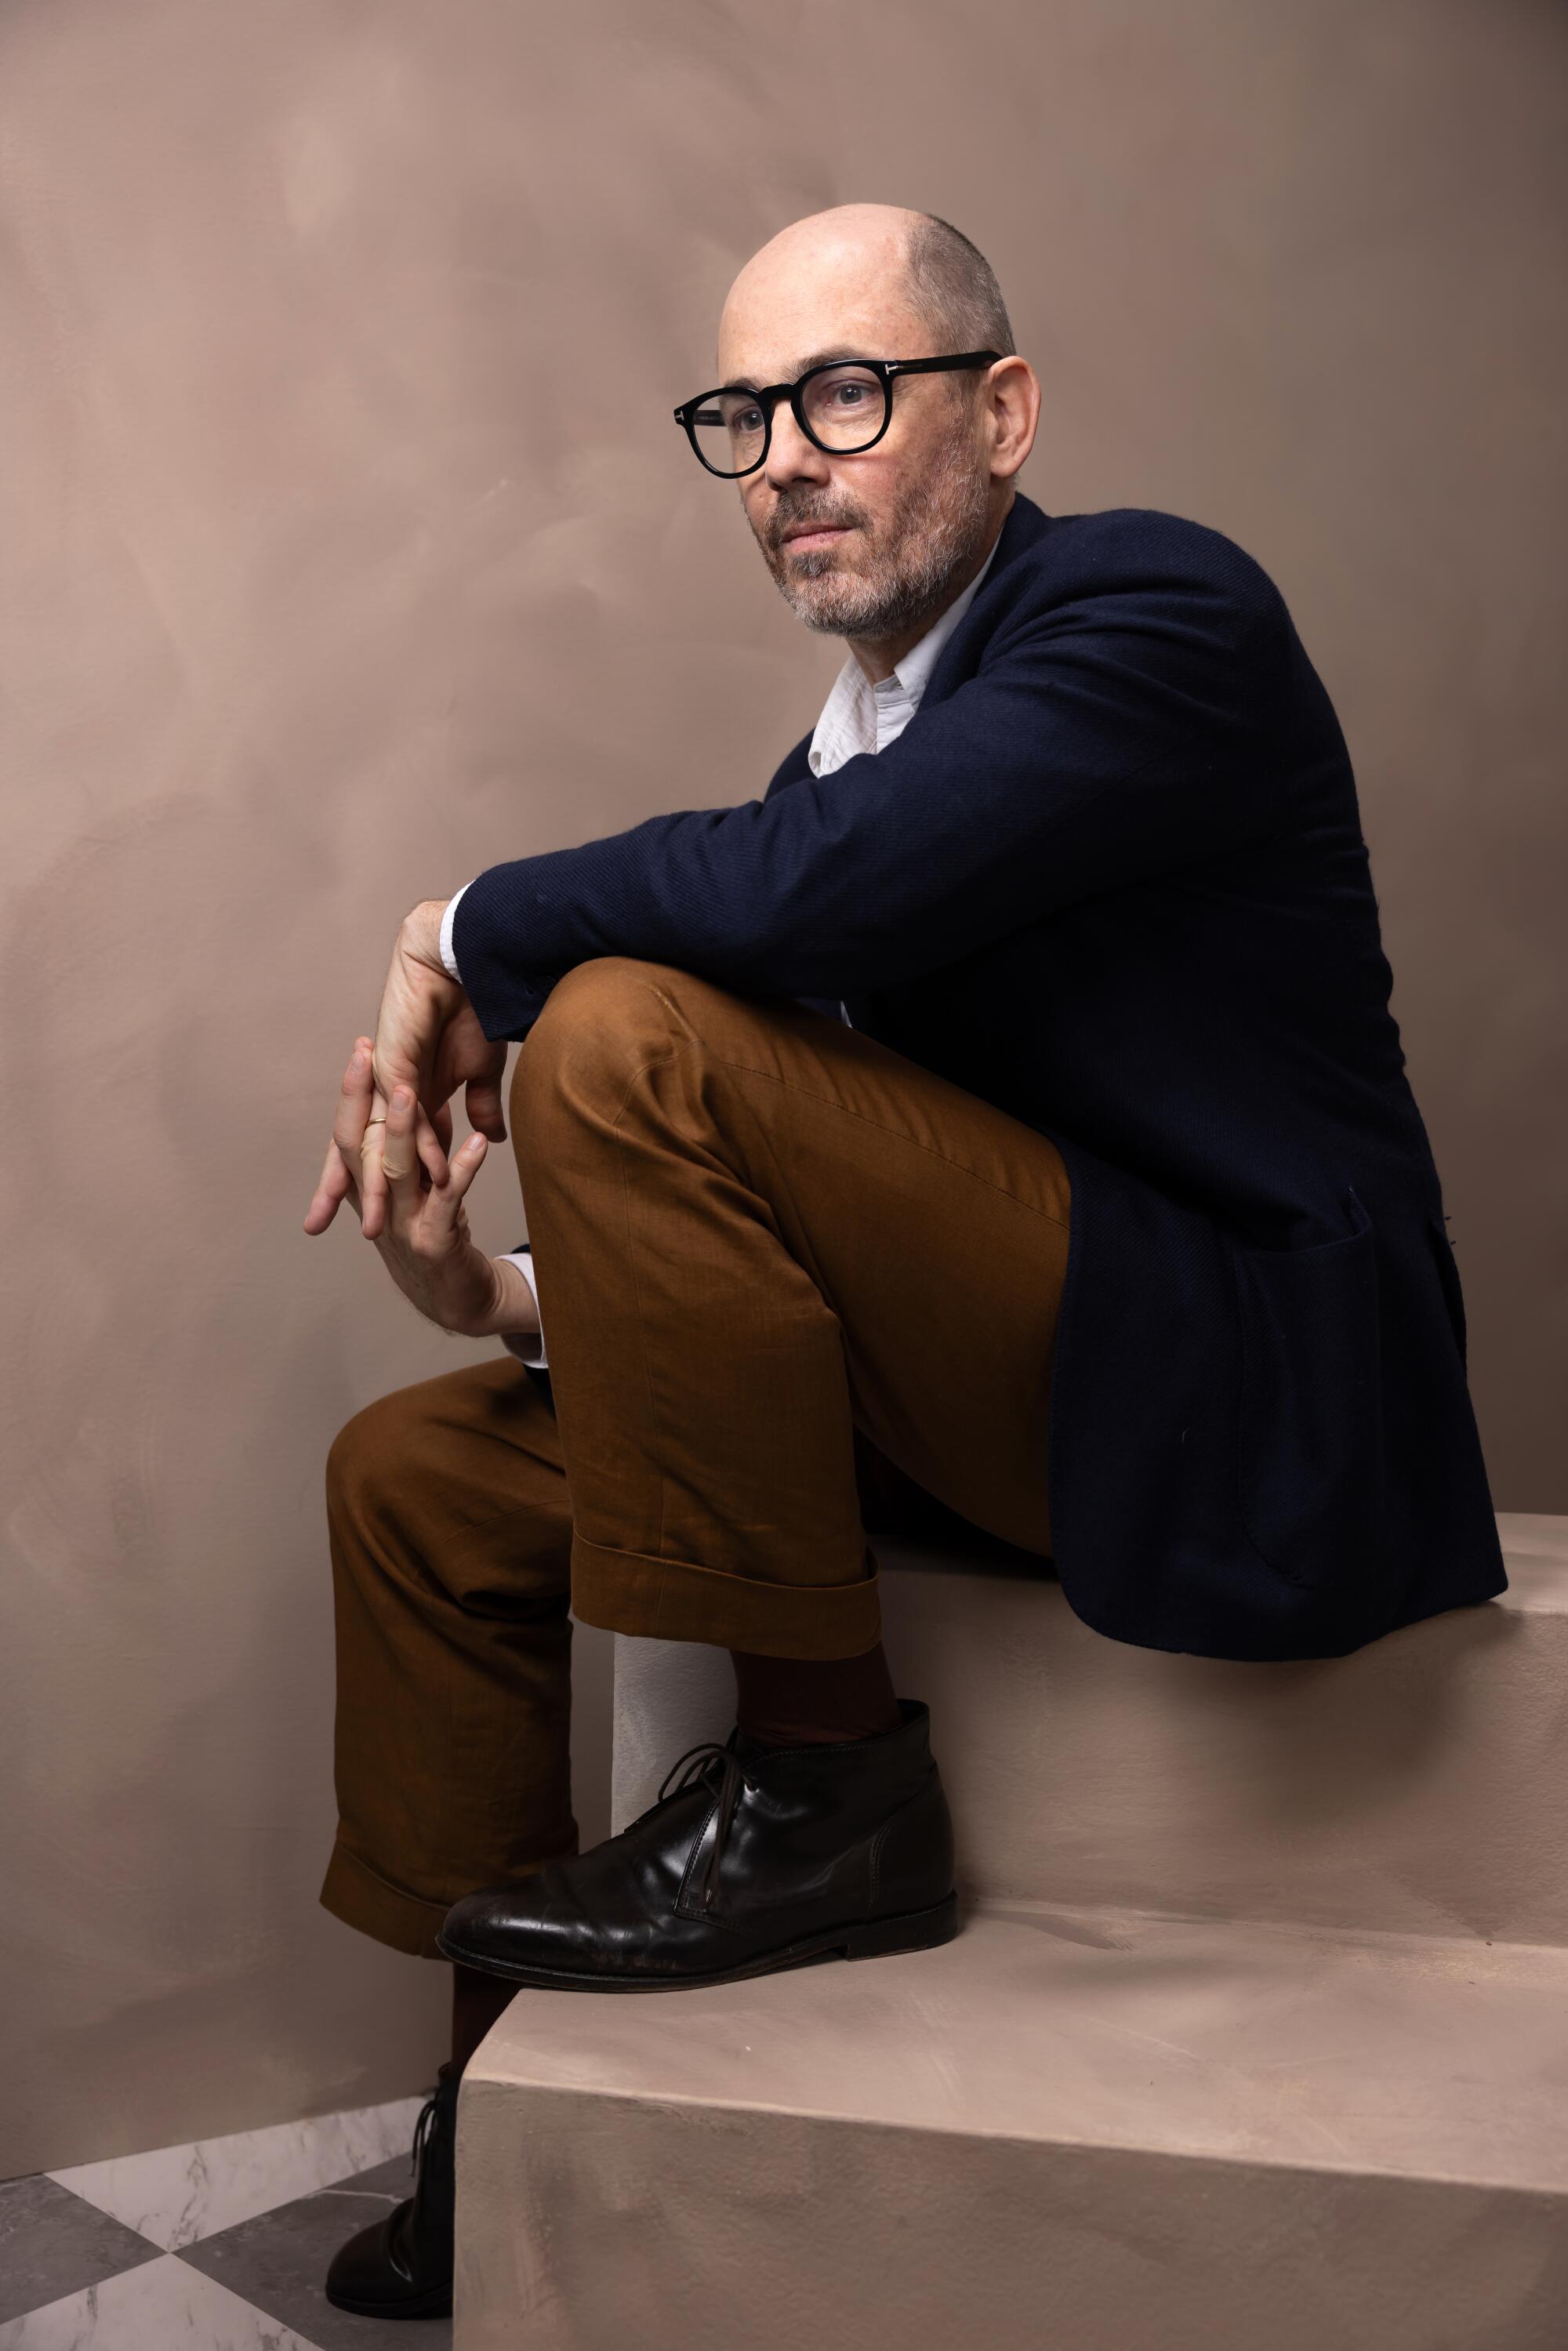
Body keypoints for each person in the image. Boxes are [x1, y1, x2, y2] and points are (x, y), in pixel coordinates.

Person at [300, 202, 1504, 2320]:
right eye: (744, 414)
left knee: (625, 1020)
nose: (781, 456)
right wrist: (480, 1300)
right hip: (1006, 1379)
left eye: (843, 392)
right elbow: (785, 1216)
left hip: (1245, 1392)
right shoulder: (839, 774)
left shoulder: (1156, 610)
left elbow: (820, 905)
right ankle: (505, 2098)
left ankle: (831, 1783)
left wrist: (463, 925)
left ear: (1004, 411)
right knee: (421, 1478)